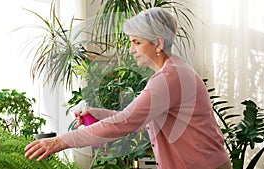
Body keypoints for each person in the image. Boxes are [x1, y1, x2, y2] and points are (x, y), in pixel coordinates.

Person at [24, 7, 232, 169]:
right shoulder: (174, 71)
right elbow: (143, 121)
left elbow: (125, 123)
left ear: (158, 43)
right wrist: (100, 114)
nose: (131, 49)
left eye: (136, 42)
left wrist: (60, 142)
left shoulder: (169, 78)